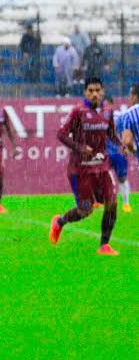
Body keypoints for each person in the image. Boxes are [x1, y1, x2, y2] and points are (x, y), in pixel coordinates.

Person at [49, 78, 126, 255]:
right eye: (90, 90)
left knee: (112, 203)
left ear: (103, 91)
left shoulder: (108, 111)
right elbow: (61, 134)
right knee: (85, 210)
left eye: (97, 90)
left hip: (102, 167)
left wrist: (120, 145)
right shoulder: (78, 111)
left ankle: (104, 245)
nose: (94, 94)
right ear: (85, 92)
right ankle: (60, 222)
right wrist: (80, 148)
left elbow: (111, 133)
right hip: (80, 170)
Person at [104, 97, 131, 212]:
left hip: (119, 153)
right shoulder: (99, 118)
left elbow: (128, 130)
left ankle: (126, 203)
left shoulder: (120, 116)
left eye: (106, 105)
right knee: (101, 176)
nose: (104, 108)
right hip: (106, 152)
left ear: (111, 105)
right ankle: (102, 201)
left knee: (122, 178)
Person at [116, 85, 139, 211]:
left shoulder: (129, 114)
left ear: (135, 96)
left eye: (130, 95)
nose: (129, 98)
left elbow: (127, 141)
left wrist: (134, 151)